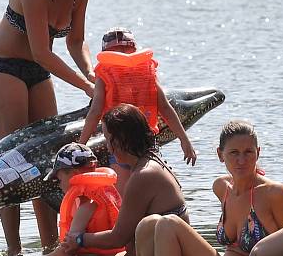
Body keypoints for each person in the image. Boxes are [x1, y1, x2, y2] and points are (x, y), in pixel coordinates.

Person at [0, 0, 117, 256]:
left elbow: (75, 41)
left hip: (38, 71)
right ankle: (14, 252)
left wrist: (92, 73)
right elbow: (42, 51)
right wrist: (86, 86)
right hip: (5, 67)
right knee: (12, 161)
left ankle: (49, 247)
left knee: (47, 159)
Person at [0, 103, 190, 256]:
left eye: (108, 139)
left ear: (120, 140)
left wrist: (79, 240)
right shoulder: (152, 164)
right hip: (144, 254)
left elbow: (118, 237)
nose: (107, 146)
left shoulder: (143, 175)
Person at [135, 119, 283, 256]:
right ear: (220, 155)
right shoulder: (222, 188)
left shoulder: (274, 194)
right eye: (234, 153)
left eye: (248, 152)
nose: (242, 160)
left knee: (169, 223)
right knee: (148, 224)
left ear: (258, 152)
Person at [78, 27, 196, 193]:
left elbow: (96, 110)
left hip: (119, 142)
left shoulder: (105, 71)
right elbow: (164, 107)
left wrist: (81, 144)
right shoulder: (145, 69)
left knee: (123, 196)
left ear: (106, 52)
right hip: (146, 142)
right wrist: (184, 140)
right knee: (150, 187)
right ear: (133, 49)